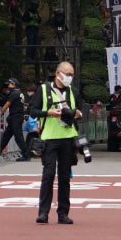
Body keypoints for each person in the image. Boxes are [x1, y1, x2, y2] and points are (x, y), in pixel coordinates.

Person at [30, 62, 83, 224]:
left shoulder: (73, 91)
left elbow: (80, 111)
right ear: (58, 74)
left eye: (72, 74)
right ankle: (43, 212)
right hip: (49, 137)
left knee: (65, 176)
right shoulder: (44, 90)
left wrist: (77, 114)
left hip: (68, 138)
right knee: (48, 174)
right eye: (67, 74)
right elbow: (32, 111)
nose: (69, 77)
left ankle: (63, 213)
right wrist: (49, 113)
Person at [0, 77, 29, 161]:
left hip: (16, 117)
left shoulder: (14, 93)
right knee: (6, 135)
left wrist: (0, 113)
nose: (8, 85)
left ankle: (26, 154)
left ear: (13, 84)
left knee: (18, 137)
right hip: (14, 117)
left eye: (10, 84)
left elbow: (7, 105)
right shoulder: (19, 93)